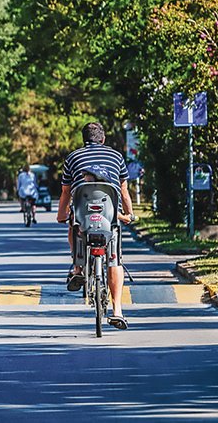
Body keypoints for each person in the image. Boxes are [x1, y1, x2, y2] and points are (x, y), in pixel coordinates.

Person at [55, 122, 135, 329]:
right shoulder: (116, 157)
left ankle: (78, 267)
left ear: (84, 139)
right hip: (110, 216)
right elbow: (124, 190)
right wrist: (129, 213)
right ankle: (117, 310)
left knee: (73, 226)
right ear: (103, 138)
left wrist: (61, 214)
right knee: (115, 260)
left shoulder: (73, 157)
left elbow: (66, 191)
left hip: (83, 215)